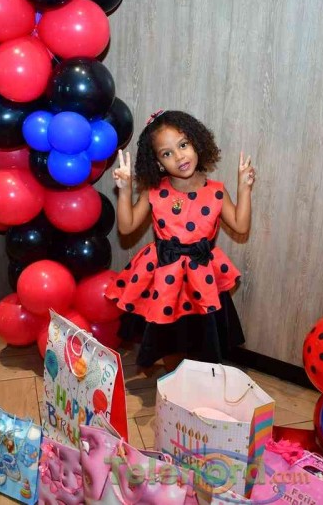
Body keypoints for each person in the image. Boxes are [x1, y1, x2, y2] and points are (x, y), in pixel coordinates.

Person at [104, 110, 255, 370]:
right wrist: (125, 190)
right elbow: (127, 227)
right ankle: (173, 380)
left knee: (201, 339)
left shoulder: (216, 191)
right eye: (167, 153)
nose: (179, 156)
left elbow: (240, 225)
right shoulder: (154, 191)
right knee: (169, 340)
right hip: (165, 278)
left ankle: (196, 381)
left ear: (196, 143)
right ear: (159, 163)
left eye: (183, 145)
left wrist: (244, 188)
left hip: (202, 278)